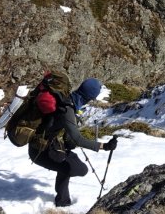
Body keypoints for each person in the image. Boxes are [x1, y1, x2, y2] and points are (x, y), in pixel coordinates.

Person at [28, 77, 117, 207]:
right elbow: (77, 139)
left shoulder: (67, 99)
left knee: (70, 162)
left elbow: (64, 132)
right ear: (88, 97)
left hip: (44, 146)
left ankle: (63, 201)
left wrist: (68, 140)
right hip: (41, 151)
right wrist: (104, 146)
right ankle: (62, 200)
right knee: (79, 169)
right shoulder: (67, 108)